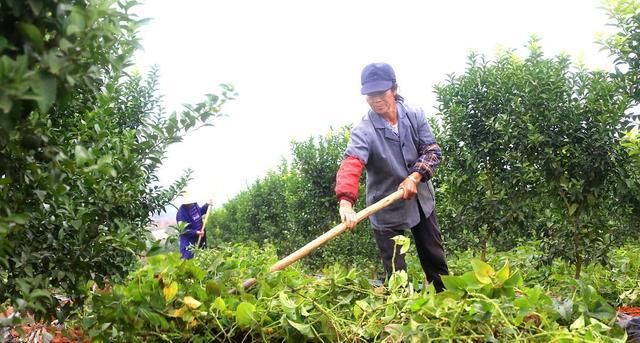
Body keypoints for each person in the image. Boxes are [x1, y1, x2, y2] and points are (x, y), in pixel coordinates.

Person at [335, 62, 449, 292]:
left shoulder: (414, 115)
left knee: (435, 261)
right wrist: (346, 203)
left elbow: (432, 151)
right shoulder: (364, 130)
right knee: (397, 273)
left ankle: (449, 304)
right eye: (369, 94)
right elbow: (351, 164)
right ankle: (402, 316)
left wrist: (414, 177)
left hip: (420, 201)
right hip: (385, 207)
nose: (375, 99)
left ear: (394, 89)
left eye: (380, 92)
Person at [176, 192, 210, 259]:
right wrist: (195, 232)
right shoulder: (181, 213)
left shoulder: (195, 204)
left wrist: (207, 206)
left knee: (201, 258)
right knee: (189, 259)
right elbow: (183, 230)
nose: (191, 204)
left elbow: (200, 212)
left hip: (200, 239)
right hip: (189, 242)